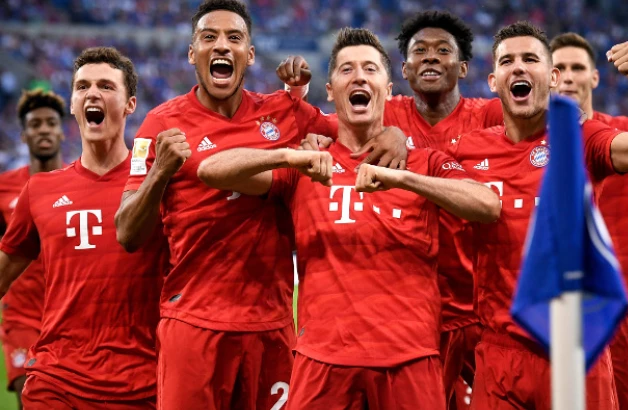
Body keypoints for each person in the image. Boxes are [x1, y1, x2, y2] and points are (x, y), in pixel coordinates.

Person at [115, 1, 404, 408]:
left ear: (249, 54)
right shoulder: (161, 124)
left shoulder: (284, 112)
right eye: (209, 37)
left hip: (271, 326)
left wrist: (395, 132)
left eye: (234, 38)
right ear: (192, 53)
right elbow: (127, 233)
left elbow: (358, 127)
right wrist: (160, 172)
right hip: (194, 323)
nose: (222, 45)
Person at [197, 27, 501, 410]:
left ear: (388, 90)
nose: (359, 77)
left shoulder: (424, 163)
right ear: (330, 91)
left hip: (409, 359)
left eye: (370, 69)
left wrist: (403, 179)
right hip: (322, 361)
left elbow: (487, 205)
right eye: (347, 70)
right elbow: (211, 170)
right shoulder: (306, 165)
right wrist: (286, 155)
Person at [443, 21, 628, 409]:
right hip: (499, 351)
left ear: (552, 77)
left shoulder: (582, 137)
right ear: (494, 81)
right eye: (507, 61)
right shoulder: (466, 150)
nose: (519, 67)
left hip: (576, 349)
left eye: (531, 59)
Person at [0, 47, 167, 409]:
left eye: (106, 86)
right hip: (56, 380)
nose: (92, 93)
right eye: (82, 87)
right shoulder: (40, 190)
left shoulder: (158, 185)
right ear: (74, 105)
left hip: (142, 383)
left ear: (130, 104)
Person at [551, 31, 628, 410]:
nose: (568, 77)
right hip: (553, 307)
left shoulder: (627, 132)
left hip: (615, 308)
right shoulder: (529, 140)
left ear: (595, 77)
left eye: (577, 67)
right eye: (559, 68)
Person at [0, 89, 65, 408]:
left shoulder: (80, 182)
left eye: (51, 123)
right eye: (35, 124)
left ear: (62, 132)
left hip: (67, 315)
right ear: (24, 135)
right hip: (22, 316)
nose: (44, 130)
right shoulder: (4, 188)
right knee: (30, 398)